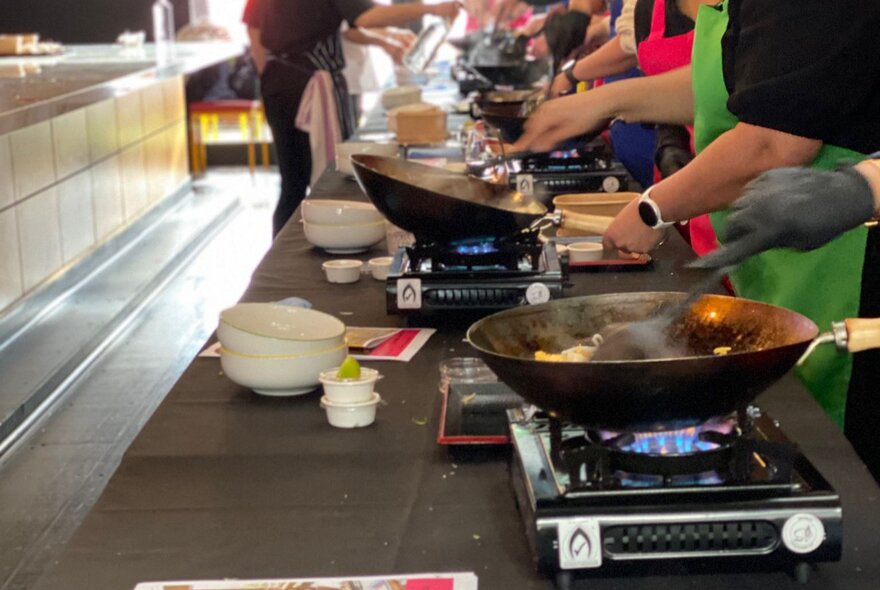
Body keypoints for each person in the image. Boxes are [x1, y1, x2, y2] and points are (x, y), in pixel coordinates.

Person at [514, 0, 880, 478]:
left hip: (845, 264)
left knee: (839, 468)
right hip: (779, 254)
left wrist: (655, 207)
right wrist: (603, 100)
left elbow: (774, 142)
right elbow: (734, 90)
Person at [243, 0, 461, 237]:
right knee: (331, 176)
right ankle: (330, 243)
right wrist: (431, 9)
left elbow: (255, 38)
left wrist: (276, 80)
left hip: (276, 83)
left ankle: (281, 263)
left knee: (292, 182)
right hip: (314, 83)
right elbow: (366, 17)